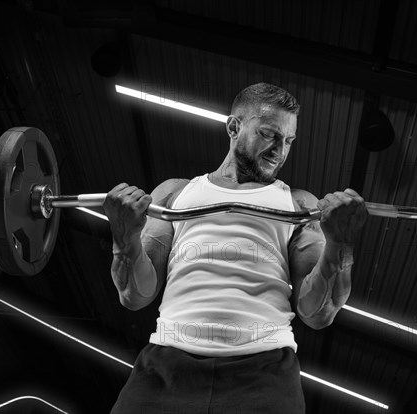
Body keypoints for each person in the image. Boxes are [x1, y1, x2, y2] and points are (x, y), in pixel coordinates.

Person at [104, 83, 367, 413]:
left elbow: (318, 313)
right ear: (233, 127)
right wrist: (124, 238)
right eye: (269, 134)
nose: (280, 150)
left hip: (265, 374)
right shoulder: (175, 193)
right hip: (166, 367)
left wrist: (340, 245)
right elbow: (135, 296)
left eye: (288, 141)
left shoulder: (300, 204)